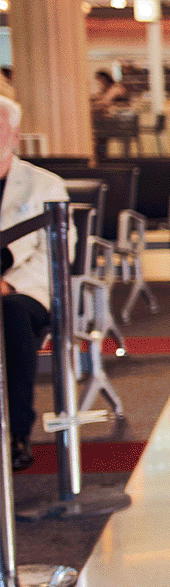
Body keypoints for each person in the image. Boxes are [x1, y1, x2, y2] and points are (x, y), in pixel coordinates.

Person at [0, 97, 67, 471]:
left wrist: (9, 285)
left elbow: (56, 255)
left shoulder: (44, 185)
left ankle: (17, 432)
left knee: (10, 313)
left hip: (25, 293)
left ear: (15, 135)